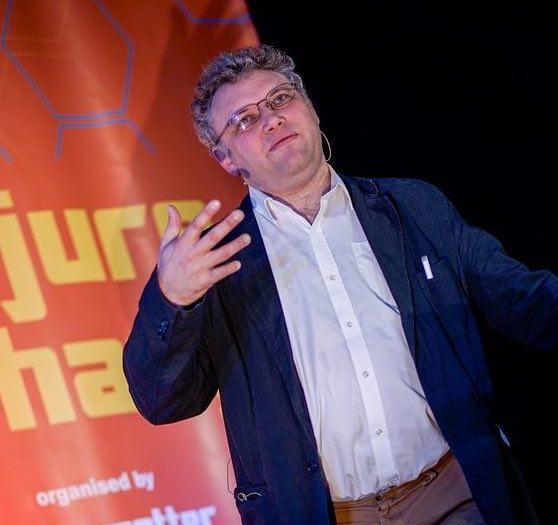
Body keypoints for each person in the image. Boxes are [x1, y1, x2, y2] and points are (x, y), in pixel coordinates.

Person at [123, 44, 556, 525]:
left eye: (281, 99)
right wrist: (173, 299)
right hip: (327, 514)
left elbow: (525, 300)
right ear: (225, 159)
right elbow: (162, 401)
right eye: (244, 120)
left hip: (456, 493)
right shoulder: (218, 263)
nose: (271, 119)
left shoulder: (411, 207)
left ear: (308, 107)